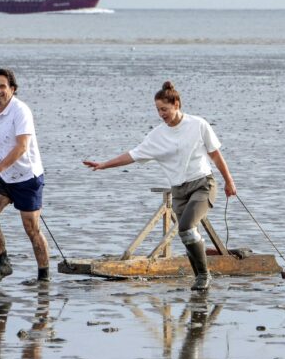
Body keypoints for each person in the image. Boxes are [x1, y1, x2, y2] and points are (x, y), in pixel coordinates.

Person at [83, 81, 237, 290]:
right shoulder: (157, 135)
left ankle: (203, 276)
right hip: (179, 191)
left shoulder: (198, 124)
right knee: (186, 234)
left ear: (176, 104)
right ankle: (201, 276)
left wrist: (229, 181)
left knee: (186, 227)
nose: (161, 114)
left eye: (164, 109)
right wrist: (103, 165)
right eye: (158, 110)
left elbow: (216, 155)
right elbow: (132, 155)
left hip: (203, 185)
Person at [0, 68, 51, 286]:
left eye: (2, 86)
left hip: (28, 177)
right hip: (5, 176)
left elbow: (21, 147)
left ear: (13, 89)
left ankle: (44, 277)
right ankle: (3, 264)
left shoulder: (21, 111)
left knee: (32, 230)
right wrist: (0, 171)